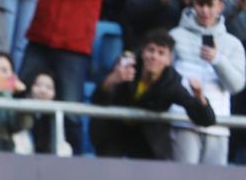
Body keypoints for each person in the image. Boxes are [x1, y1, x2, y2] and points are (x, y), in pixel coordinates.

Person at [17, 0, 127, 154]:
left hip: (73, 50)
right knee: (21, 96)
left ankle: (75, 161)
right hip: (40, 41)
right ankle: (18, 149)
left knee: (70, 110)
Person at [90, 29, 215, 159]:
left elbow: (207, 120)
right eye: (151, 50)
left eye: (161, 53)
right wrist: (112, 79)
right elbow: (97, 101)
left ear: (169, 60)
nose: (154, 56)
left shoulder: (171, 83)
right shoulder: (125, 68)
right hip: (114, 133)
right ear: (143, 52)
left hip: (147, 141)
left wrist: (199, 96)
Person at [168, 0, 245, 165]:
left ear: (220, 6)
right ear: (194, 4)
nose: (205, 11)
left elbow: (236, 86)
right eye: (200, 4)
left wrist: (218, 60)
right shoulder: (175, 36)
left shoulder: (233, 43)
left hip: (218, 126)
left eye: (210, 5)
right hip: (182, 122)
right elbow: (166, 80)